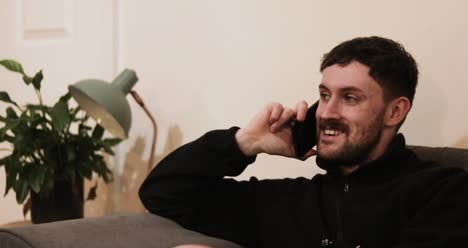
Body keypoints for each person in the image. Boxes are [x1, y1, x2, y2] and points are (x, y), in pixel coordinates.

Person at [139, 36, 468, 247]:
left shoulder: (443, 192)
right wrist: (244, 143)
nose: (327, 112)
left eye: (349, 98)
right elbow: (164, 194)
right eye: (324, 95)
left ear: (395, 111)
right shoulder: (291, 202)